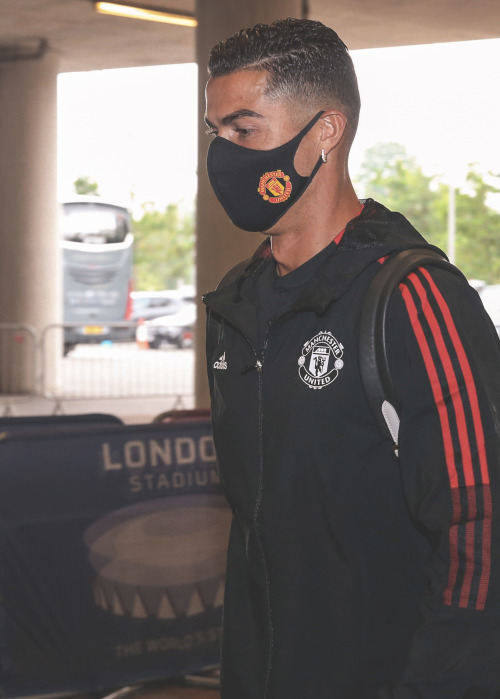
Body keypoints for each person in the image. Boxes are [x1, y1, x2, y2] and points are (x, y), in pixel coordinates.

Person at [202, 17, 500, 699]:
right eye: (215, 132)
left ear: (325, 133)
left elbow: (482, 527)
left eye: (245, 129)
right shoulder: (236, 311)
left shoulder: (412, 297)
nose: (223, 154)